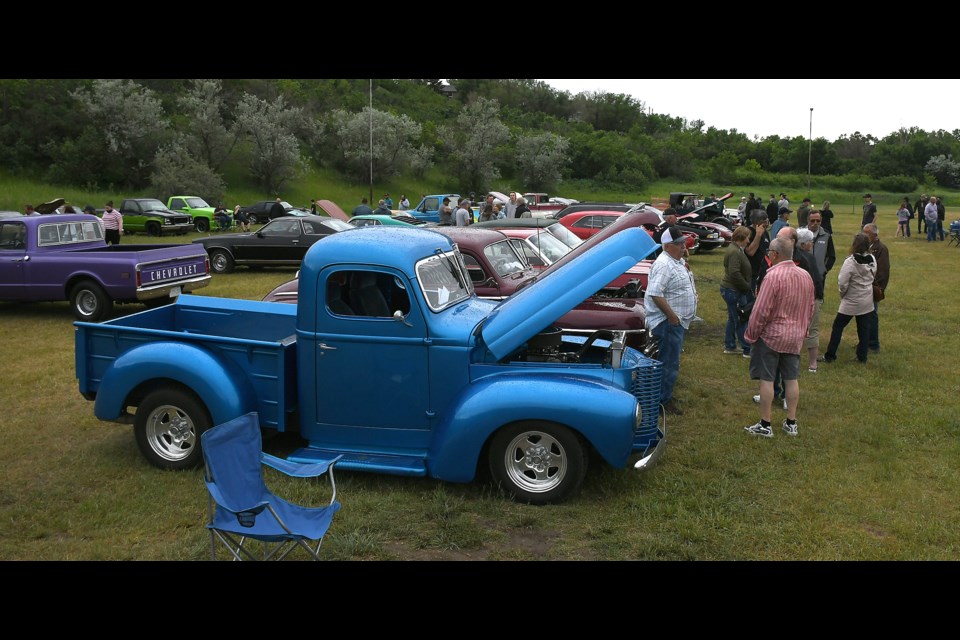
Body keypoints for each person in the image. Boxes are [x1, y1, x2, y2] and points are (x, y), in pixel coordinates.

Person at [743, 236, 815, 438]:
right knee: (791, 379)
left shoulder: (772, 276)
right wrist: (804, 331)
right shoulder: (805, 276)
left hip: (772, 336)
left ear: (774, 254)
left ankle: (765, 424)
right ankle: (791, 422)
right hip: (795, 336)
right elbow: (810, 308)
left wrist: (751, 334)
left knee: (767, 378)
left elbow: (760, 310)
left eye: (769, 253)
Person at [644, 227, 699, 415]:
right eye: (679, 244)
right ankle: (661, 402)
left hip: (676, 322)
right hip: (668, 323)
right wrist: (672, 317)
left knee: (671, 361)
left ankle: (665, 394)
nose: (684, 246)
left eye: (683, 242)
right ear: (667, 246)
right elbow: (654, 293)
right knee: (668, 363)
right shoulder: (664, 264)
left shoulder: (676, 261)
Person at [822, 233, 877, 364]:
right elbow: (873, 275)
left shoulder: (850, 262)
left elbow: (842, 282)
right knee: (863, 329)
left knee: (838, 327)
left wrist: (843, 293)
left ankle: (830, 355)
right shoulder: (872, 259)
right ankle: (862, 357)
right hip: (867, 299)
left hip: (851, 300)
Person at [720, 225, 754, 357]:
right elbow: (734, 272)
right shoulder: (735, 251)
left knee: (733, 318)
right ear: (742, 237)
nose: (748, 241)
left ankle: (730, 345)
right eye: (747, 238)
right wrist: (746, 286)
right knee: (740, 319)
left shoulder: (736, 249)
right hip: (732, 290)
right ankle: (747, 349)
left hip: (732, 289)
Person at [796, 228, 824, 372]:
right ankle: (813, 363)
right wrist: (819, 296)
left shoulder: (792, 257)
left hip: (797, 298)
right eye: (810, 242)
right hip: (811, 298)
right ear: (802, 244)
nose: (812, 244)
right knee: (812, 329)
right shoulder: (808, 258)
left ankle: (794, 359)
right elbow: (816, 280)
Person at [862, 223, 889, 353]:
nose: (864, 236)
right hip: (862, 288)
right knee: (864, 316)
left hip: (872, 288)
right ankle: (864, 341)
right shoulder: (865, 248)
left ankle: (873, 344)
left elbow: (883, 271)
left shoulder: (881, 249)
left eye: (867, 233)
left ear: (874, 235)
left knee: (872, 316)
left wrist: (876, 287)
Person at [807, 211, 835, 300]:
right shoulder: (801, 234)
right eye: (812, 221)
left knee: (817, 301)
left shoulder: (826, 235)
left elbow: (831, 256)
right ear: (808, 221)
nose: (815, 223)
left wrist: (824, 270)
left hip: (819, 276)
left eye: (818, 221)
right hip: (803, 275)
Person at [744, 209, 771, 294]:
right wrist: (758, 235)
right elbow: (750, 252)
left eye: (767, 221)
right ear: (756, 223)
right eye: (764, 222)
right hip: (751, 273)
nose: (767, 224)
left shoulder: (765, 233)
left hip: (764, 271)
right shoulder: (747, 232)